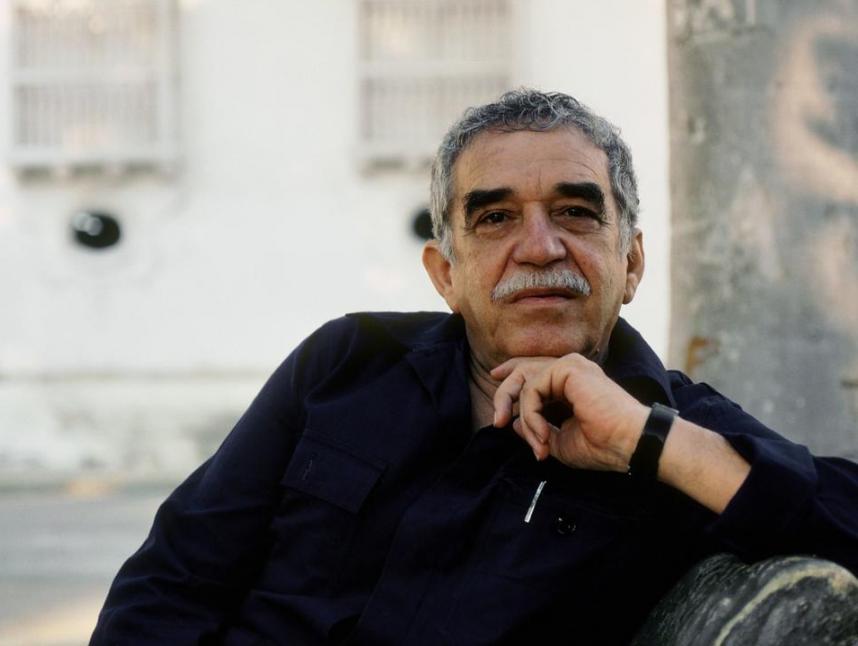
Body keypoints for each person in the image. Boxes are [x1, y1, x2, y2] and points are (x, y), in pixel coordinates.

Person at [90, 90, 858, 645]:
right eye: (495, 218)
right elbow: (175, 578)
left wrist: (645, 440)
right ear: (445, 274)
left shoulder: (670, 435)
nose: (540, 247)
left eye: (576, 212)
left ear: (630, 263)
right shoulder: (346, 363)